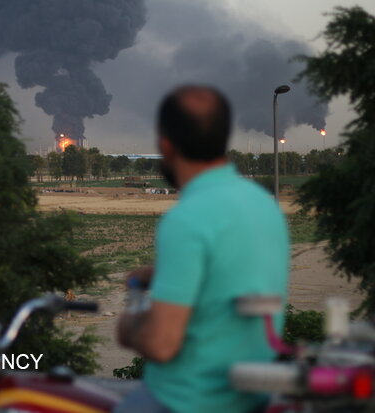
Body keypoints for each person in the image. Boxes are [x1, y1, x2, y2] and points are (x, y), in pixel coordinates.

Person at [114, 85, 289, 413]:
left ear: (166, 146)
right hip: (252, 398)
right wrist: (163, 273)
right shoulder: (264, 205)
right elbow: (232, 273)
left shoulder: (186, 219)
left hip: (187, 401)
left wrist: (129, 325)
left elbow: (161, 344)